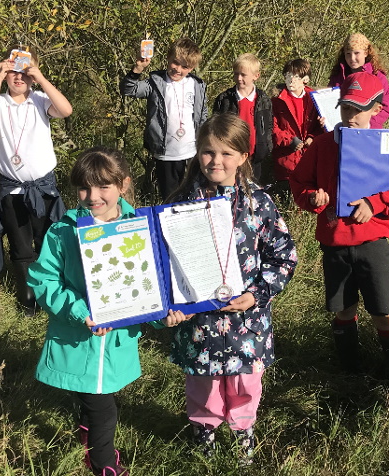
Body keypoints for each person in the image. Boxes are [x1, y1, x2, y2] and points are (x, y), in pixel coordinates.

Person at [27, 147, 188, 476]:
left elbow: (150, 286)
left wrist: (165, 314)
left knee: (96, 396)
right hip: (79, 338)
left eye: (103, 186)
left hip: (116, 343)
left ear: (124, 185)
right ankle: (104, 465)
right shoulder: (63, 231)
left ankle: (86, 434)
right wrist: (80, 312)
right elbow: (43, 279)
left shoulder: (142, 229)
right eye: (84, 187)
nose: (92, 196)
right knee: (103, 408)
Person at [166, 114, 297, 465]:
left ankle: (243, 438)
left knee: (245, 384)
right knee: (204, 387)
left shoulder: (259, 204)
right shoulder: (178, 205)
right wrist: (169, 304)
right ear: (197, 154)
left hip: (248, 322)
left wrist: (256, 294)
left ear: (242, 156)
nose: (216, 161)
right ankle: (204, 435)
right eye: (208, 152)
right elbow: (164, 264)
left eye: (226, 153)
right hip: (199, 325)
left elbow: (283, 256)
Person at [290, 72, 389, 380]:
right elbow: (300, 184)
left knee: (384, 314)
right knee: (344, 310)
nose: (350, 116)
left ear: (376, 109)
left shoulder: (385, 146)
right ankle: (350, 373)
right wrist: (313, 197)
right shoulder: (322, 146)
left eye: (358, 109)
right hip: (335, 243)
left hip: (373, 244)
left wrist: (376, 204)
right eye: (345, 108)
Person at [0, 45, 72, 316]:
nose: (19, 78)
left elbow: (65, 110)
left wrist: (40, 77)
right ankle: (27, 298)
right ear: (6, 75)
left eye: (25, 74)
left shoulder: (41, 100)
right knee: (21, 247)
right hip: (13, 188)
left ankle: (50, 294)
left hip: (43, 188)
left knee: (48, 242)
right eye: (13, 73)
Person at [120, 37, 208, 201]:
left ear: (192, 68)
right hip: (166, 154)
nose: (178, 69)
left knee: (194, 197)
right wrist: (138, 68)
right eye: (175, 63)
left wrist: (205, 142)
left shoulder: (197, 85)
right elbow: (129, 90)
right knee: (170, 199)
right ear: (168, 57)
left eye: (185, 66)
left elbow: (202, 114)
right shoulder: (155, 83)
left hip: (192, 153)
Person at [212, 53, 272, 182]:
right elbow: (215, 126)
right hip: (230, 155)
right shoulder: (225, 99)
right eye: (236, 74)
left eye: (243, 75)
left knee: (252, 192)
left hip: (254, 157)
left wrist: (266, 147)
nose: (239, 78)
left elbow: (268, 126)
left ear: (256, 76)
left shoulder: (263, 100)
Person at [271, 58, 323, 191]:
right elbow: (272, 128)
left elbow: (321, 126)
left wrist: (313, 137)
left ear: (305, 79)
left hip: (311, 160)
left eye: (295, 76)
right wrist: (290, 141)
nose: (291, 80)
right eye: (288, 75)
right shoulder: (277, 101)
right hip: (286, 162)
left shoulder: (316, 99)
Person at [327, 32, 389, 128]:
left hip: (367, 132)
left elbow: (385, 108)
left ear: (366, 53)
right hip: (340, 129)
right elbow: (330, 103)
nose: (352, 58)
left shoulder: (378, 77)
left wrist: (364, 125)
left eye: (356, 53)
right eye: (348, 54)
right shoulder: (338, 76)